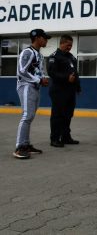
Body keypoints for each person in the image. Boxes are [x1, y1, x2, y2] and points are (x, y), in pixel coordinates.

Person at [13, 29, 51, 159]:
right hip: (26, 86)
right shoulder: (28, 52)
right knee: (27, 115)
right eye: (44, 38)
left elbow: (38, 71)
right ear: (37, 38)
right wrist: (39, 80)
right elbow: (22, 71)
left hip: (35, 87)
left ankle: (26, 144)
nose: (46, 40)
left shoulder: (39, 55)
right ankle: (19, 147)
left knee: (30, 116)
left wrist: (43, 78)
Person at [48, 35, 81, 148]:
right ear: (61, 43)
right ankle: (55, 139)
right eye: (68, 45)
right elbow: (52, 73)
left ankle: (66, 137)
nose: (70, 47)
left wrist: (78, 87)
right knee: (57, 115)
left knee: (68, 115)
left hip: (70, 91)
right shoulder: (54, 57)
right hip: (58, 91)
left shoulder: (71, 57)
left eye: (71, 45)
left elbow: (75, 72)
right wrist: (66, 78)